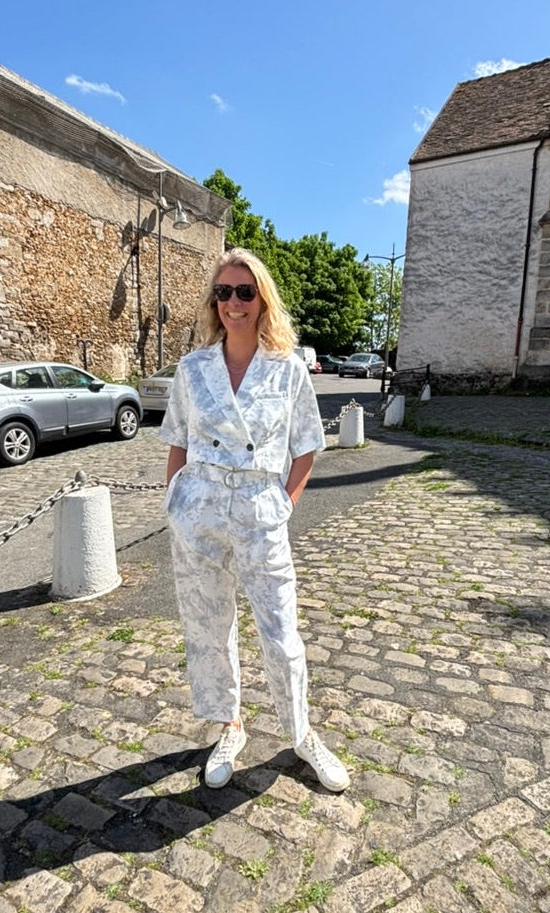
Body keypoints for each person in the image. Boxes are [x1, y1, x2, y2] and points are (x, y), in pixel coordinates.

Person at [158, 247, 350, 793]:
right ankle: (230, 726)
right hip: (200, 510)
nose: (234, 303)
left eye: (245, 292)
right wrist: (176, 500)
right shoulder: (193, 369)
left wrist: (285, 503)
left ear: (262, 299)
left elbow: (307, 445)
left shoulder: (287, 367)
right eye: (224, 292)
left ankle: (301, 733)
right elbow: (176, 438)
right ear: (213, 302)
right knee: (207, 628)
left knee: (281, 631)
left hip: (260, 510)